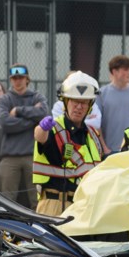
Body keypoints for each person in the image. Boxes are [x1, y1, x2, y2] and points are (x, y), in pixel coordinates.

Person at [32, 71, 107, 216]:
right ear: (66, 102)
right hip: (54, 207)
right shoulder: (54, 128)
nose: (79, 107)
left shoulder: (93, 134)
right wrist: (41, 128)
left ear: (90, 105)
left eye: (84, 102)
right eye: (74, 101)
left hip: (84, 207)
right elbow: (40, 137)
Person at [0, 64, 49, 209]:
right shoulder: (4, 99)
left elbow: (44, 114)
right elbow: (4, 123)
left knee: (37, 198)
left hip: (33, 155)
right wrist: (32, 120)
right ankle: (8, 230)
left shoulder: (37, 96)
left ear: (27, 79)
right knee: (7, 199)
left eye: (21, 78)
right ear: (11, 80)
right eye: (14, 78)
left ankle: (39, 229)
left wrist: (19, 110)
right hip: (9, 157)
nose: (17, 81)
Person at [96, 55, 129, 153]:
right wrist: (104, 148)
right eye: (125, 69)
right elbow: (96, 124)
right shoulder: (101, 94)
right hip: (110, 151)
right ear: (114, 71)